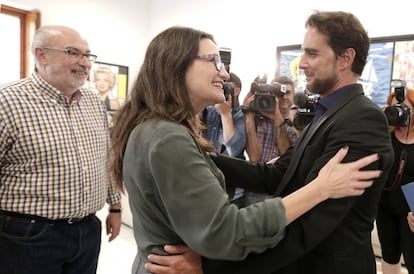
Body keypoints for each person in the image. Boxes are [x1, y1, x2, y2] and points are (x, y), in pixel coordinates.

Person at [108, 25, 384, 274]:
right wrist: (320, 187)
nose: (224, 73)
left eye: (312, 53)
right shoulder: (168, 137)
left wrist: (201, 158)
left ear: (346, 58)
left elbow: (306, 206)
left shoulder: (360, 118)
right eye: (214, 61)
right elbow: (231, 226)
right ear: (175, 65)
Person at [0, 25, 122, 274]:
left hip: (87, 230)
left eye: (87, 55)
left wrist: (116, 206)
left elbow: (105, 158)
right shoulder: (7, 102)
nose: (85, 62)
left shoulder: (92, 103)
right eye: (73, 53)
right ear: (41, 55)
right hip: (27, 236)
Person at [376, 86, 414, 274]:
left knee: (412, 257)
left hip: (411, 209)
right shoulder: (384, 136)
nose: (398, 112)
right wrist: (379, 121)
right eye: (394, 108)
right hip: (385, 204)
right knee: (389, 254)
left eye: (404, 108)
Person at [243, 75, 298, 204]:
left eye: (287, 93)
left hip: (283, 189)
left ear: (294, 95)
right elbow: (254, 157)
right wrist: (249, 116)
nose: (284, 97)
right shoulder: (259, 119)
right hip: (257, 188)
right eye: (278, 94)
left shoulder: (298, 122)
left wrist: (278, 120)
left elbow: (287, 156)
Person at [201, 72, 246, 206]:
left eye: (226, 87)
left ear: (237, 90)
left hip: (232, 191)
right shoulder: (208, 110)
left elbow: (235, 150)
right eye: (220, 86)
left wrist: (226, 115)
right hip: (208, 186)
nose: (222, 90)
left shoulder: (242, 115)